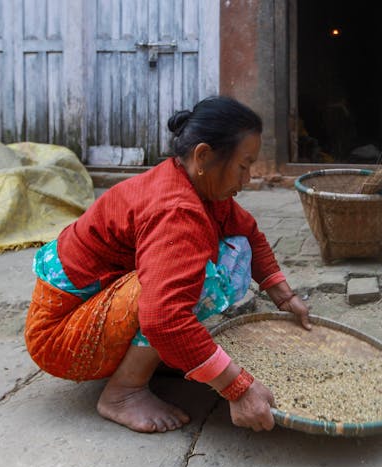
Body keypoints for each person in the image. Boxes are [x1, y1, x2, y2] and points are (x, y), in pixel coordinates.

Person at [24, 96, 311, 434]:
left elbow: (247, 231)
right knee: (198, 282)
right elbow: (163, 319)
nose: (247, 179)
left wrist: (284, 296)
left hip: (95, 305)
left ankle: (150, 361)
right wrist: (239, 388)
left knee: (232, 252)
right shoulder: (176, 210)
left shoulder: (195, 184)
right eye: (243, 166)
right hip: (62, 339)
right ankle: (123, 392)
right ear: (203, 156)